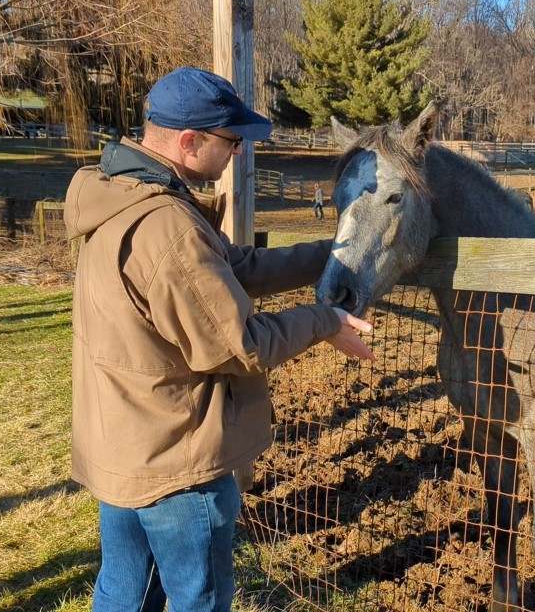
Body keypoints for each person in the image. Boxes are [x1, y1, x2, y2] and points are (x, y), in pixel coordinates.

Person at [63, 66, 375, 612]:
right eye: (230, 142)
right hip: (176, 462)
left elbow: (234, 267)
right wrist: (325, 321)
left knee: (122, 591)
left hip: (123, 443)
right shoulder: (169, 227)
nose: (236, 154)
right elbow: (242, 345)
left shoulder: (123, 196)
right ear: (189, 142)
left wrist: (335, 254)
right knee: (197, 600)